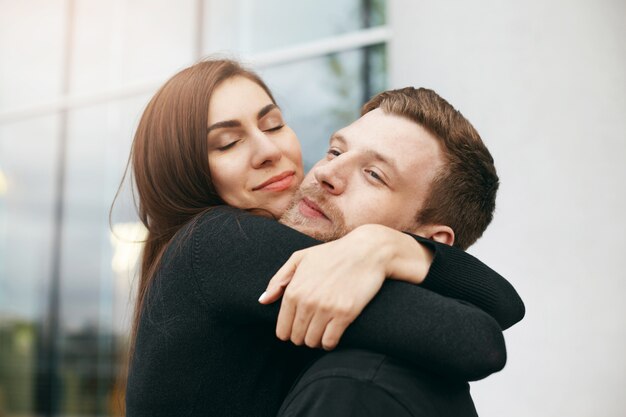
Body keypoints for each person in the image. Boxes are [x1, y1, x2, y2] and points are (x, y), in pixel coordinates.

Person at [121, 59, 524, 417]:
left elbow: (504, 306)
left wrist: (388, 247)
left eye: (274, 124)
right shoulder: (217, 244)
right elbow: (480, 339)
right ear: (187, 172)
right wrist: (384, 246)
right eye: (227, 143)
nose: (269, 150)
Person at [272, 87, 507, 416]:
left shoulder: (354, 390)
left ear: (429, 241)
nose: (326, 174)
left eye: (373, 175)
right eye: (336, 152)